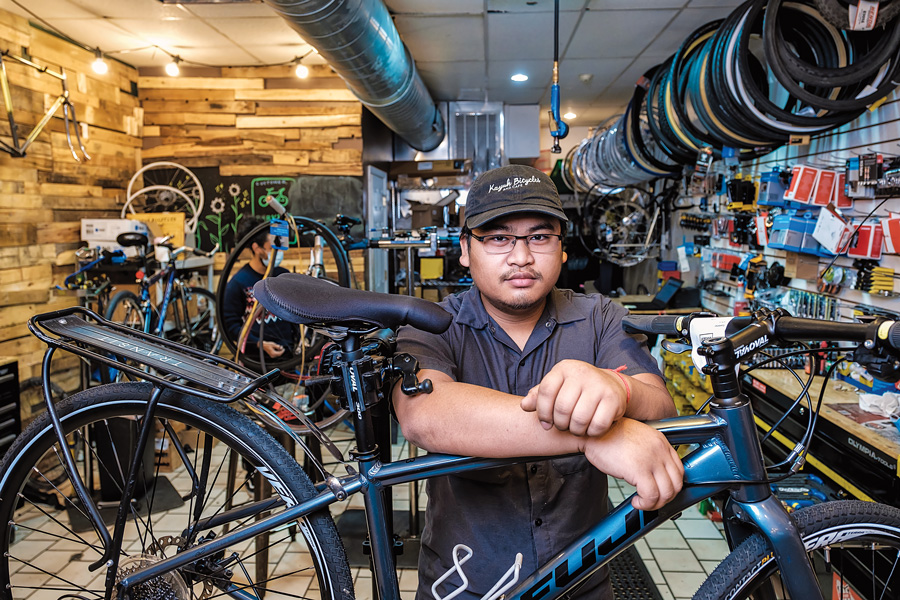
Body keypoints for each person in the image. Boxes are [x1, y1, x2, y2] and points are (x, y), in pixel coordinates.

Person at [394, 164, 683, 599]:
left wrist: (619, 389)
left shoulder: (600, 317)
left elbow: (660, 406)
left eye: (539, 237)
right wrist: (595, 435)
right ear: (466, 250)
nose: (521, 257)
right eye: (498, 238)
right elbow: (424, 413)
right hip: (465, 582)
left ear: (562, 249)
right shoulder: (430, 323)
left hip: (581, 580)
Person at [222, 217, 298, 361]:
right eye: (272, 247)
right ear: (257, 248)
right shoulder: (238, 282)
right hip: (256, 361)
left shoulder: (283, 275)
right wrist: (259, 344)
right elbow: (231, 327)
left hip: (289, 357)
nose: (277, 252)